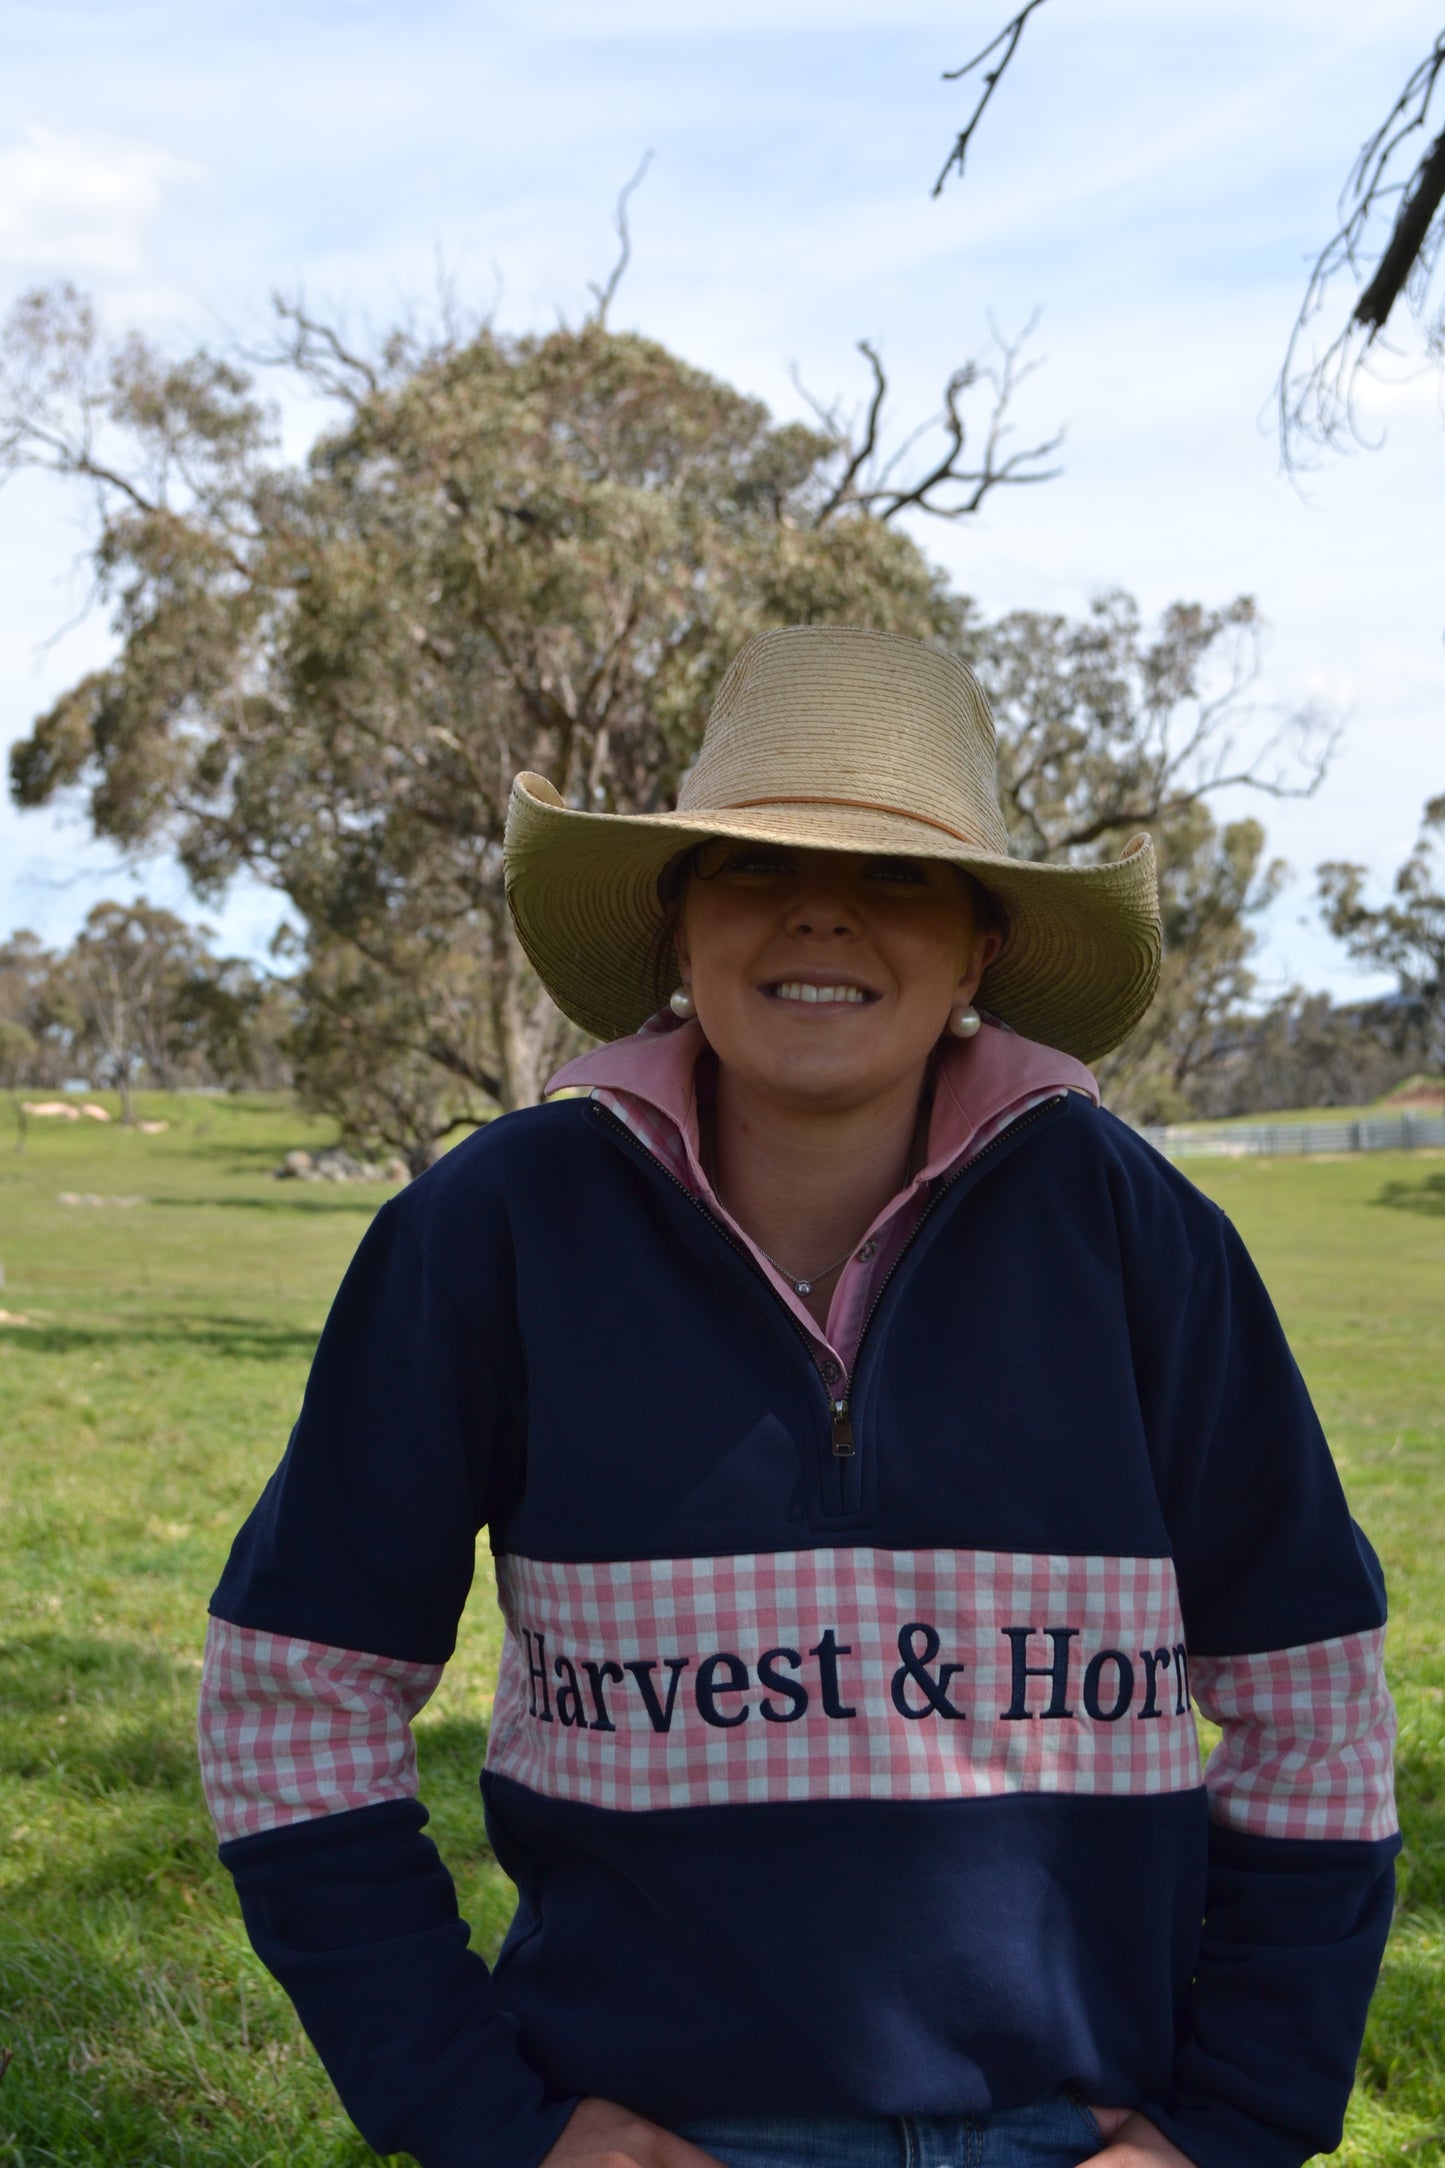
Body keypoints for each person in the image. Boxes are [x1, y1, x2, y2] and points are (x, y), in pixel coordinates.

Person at [199, 625, 1398, 2168]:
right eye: (752, 864)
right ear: (677, 926)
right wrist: (487, 2120)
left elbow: (1312, 1702)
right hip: (654, 2136)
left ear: (977, 950)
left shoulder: (1132, 1234)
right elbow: (295, 1695)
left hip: (1074, 2132)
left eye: (896, 875)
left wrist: (1226, 2126)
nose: (820, 909)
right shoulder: (491, 1230)